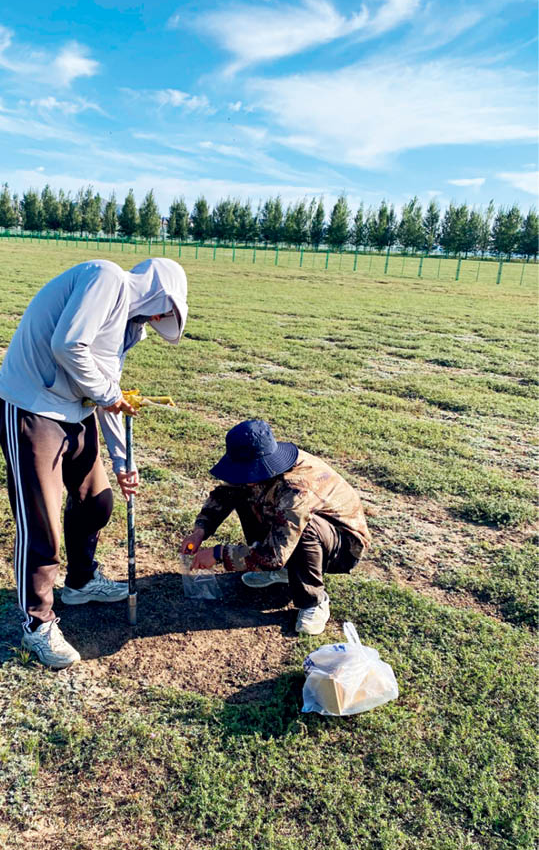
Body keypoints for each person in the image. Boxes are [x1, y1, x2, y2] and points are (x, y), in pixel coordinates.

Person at [0, 257, 188, 668]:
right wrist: (105, 392)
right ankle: (37, 624)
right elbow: (68, 346)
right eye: (163, 310)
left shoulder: (127, 324)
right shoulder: (106, 278)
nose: (157, 320)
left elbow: (106, 391)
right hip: (33, 406)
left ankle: (82, 581)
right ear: (158, 292)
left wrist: (123, 461)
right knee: (41, 525)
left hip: (74, 411)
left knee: (97, 499)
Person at [181, 419, 371, 635]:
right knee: (245, 492)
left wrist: (218, 554)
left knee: (305, 528)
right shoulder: (261, 465)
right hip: (298, 529)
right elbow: (226, 494)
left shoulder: (296, 490)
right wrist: (201, 530)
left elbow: (273, 555)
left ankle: (313, 600)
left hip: (343, 545)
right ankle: (285, 571)